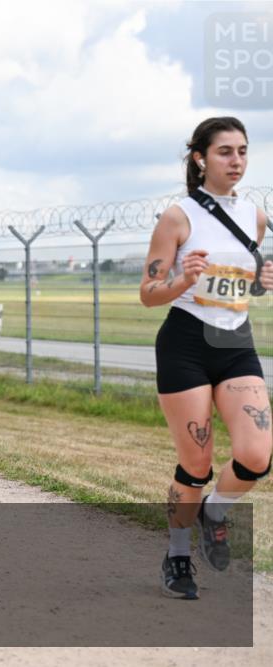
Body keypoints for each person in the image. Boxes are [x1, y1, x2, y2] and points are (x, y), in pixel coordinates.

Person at [141, 116, 273, 600]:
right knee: (195, 463)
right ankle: (177, 554)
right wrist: (181, 279)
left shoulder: (255, 216)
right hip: (185, 343)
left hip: (235, 341)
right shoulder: (178, 216)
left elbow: (240, 282)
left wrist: (258, 284)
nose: (235, 160)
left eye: (242, 151)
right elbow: (149, 292)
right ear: (200, 158)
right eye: (224, 152)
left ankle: (214, 512)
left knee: (257, 454)